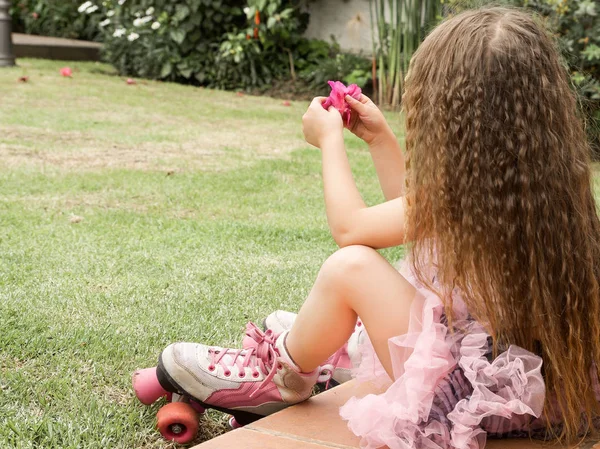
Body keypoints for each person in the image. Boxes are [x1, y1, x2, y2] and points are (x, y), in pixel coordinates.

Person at [155, 7, 600, 448]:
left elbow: (351, 230)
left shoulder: (461, 196)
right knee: (373, 298)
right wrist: (380, 140)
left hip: (461, 397)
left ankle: (282, 377)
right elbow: (419, 221)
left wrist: (329, 141)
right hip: (534, 394)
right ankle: (322, 343)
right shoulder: (547, 186)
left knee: (350, 268)